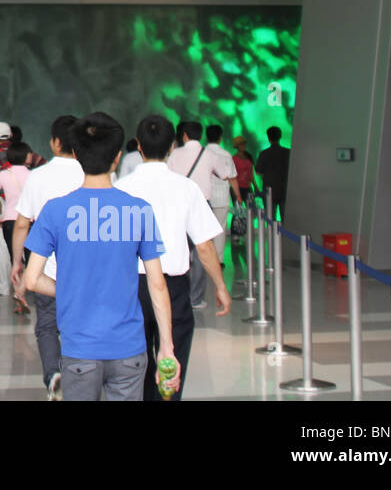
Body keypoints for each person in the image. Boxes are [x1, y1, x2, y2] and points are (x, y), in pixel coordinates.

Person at [22, 112, 179, 402]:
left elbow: (31, 280)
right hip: (129, 351)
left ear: (77, 154)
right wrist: (167, 347)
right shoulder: (139, 210)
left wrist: (67, 291)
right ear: (117, 157)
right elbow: (157, 284)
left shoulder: (55, 211)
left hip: (79, 351)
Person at [116, 115, 231, 401]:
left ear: (139, 146)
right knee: (172, 364)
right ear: (171, 147)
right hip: (174, 286)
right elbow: (204, 246)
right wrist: (220, 286)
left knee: (136, 361)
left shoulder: (119, 189)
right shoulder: (185, 188)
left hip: (132, 287)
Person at [11, 114, 83, 399]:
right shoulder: (91, 174)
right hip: (85, 269)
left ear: (54, 143)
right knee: (80, 324)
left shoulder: (37, 177)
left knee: (47, 326)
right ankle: (80, 377)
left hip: (47, 268)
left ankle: (53, 372)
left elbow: (21, 223)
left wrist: (18, 260)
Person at [167, 121, 236, 307]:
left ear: (184, 136)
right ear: (200, 135)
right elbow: (224, 174)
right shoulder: (210, 154)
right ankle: (195, 298)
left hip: (178, 205)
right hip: (202, 205)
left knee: (180, 251)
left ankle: (176, 296)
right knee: (201, 253)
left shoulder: (175, 154)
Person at [0, 141, 33, 315]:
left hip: (9, 220)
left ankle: (20, 295)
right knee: (32, 258)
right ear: (26, 156)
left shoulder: (3, 175)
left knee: (15, 259)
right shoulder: (32, 175)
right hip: (30, 220)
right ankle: (29, 292)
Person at [203, 124, 243, 255]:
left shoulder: (201, 153)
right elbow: (232, 178)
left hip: (204, 197)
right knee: (220, 228)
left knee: (203, 229)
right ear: (220, 138)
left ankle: (203, 259)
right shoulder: (226, 154)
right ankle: (218, 259)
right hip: (221, 197)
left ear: (206, 137)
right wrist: (238, 195)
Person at [255, 126, 290, 220]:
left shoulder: (264, 153)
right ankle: (286, 235)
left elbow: (258, 171)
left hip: (269, 191)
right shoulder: (288, 152)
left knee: (270, 220)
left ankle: (273, 235)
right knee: (286, 220)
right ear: (280, 136)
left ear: (268, 137)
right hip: (285, 189)